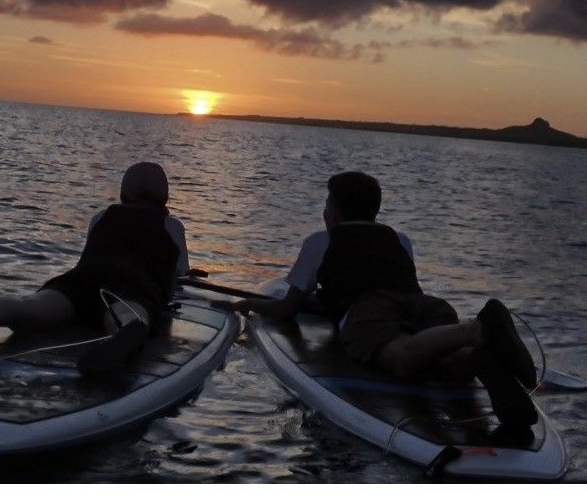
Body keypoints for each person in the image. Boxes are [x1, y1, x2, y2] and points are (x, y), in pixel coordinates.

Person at [213, 171, 538, 427]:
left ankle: (476, 331)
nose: (324, 211)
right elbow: (386, 287)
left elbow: (287, 308)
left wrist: (250, 305)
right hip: (425, 306)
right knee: (446, 363)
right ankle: (477, 356)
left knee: (400, 358)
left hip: (370, 310)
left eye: (327, 205)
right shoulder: (399, 239)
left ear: (336, 213)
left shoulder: (319, 242)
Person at [0, 162, 190, 374]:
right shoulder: (171, 226)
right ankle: (123, 335)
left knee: (30, 305)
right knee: (124, 311)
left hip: (82, 280)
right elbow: (178, 274)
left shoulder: (102, 217)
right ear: (164, 197)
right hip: (134, 286)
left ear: (123, 193)